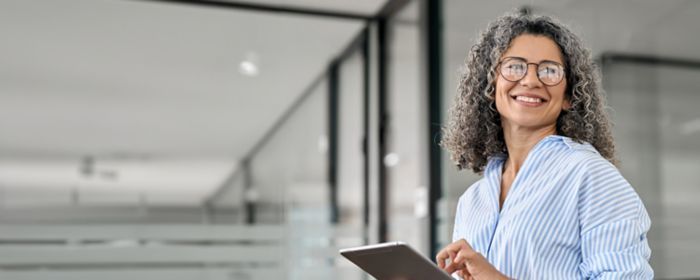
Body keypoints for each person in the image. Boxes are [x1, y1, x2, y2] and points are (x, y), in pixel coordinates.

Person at [436, 11, 653, 279]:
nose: (530, 80)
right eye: (515, 67)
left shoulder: (592, 177)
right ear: (490, 86)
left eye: (549, 71)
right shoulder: (473, 201)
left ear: (569, 97)